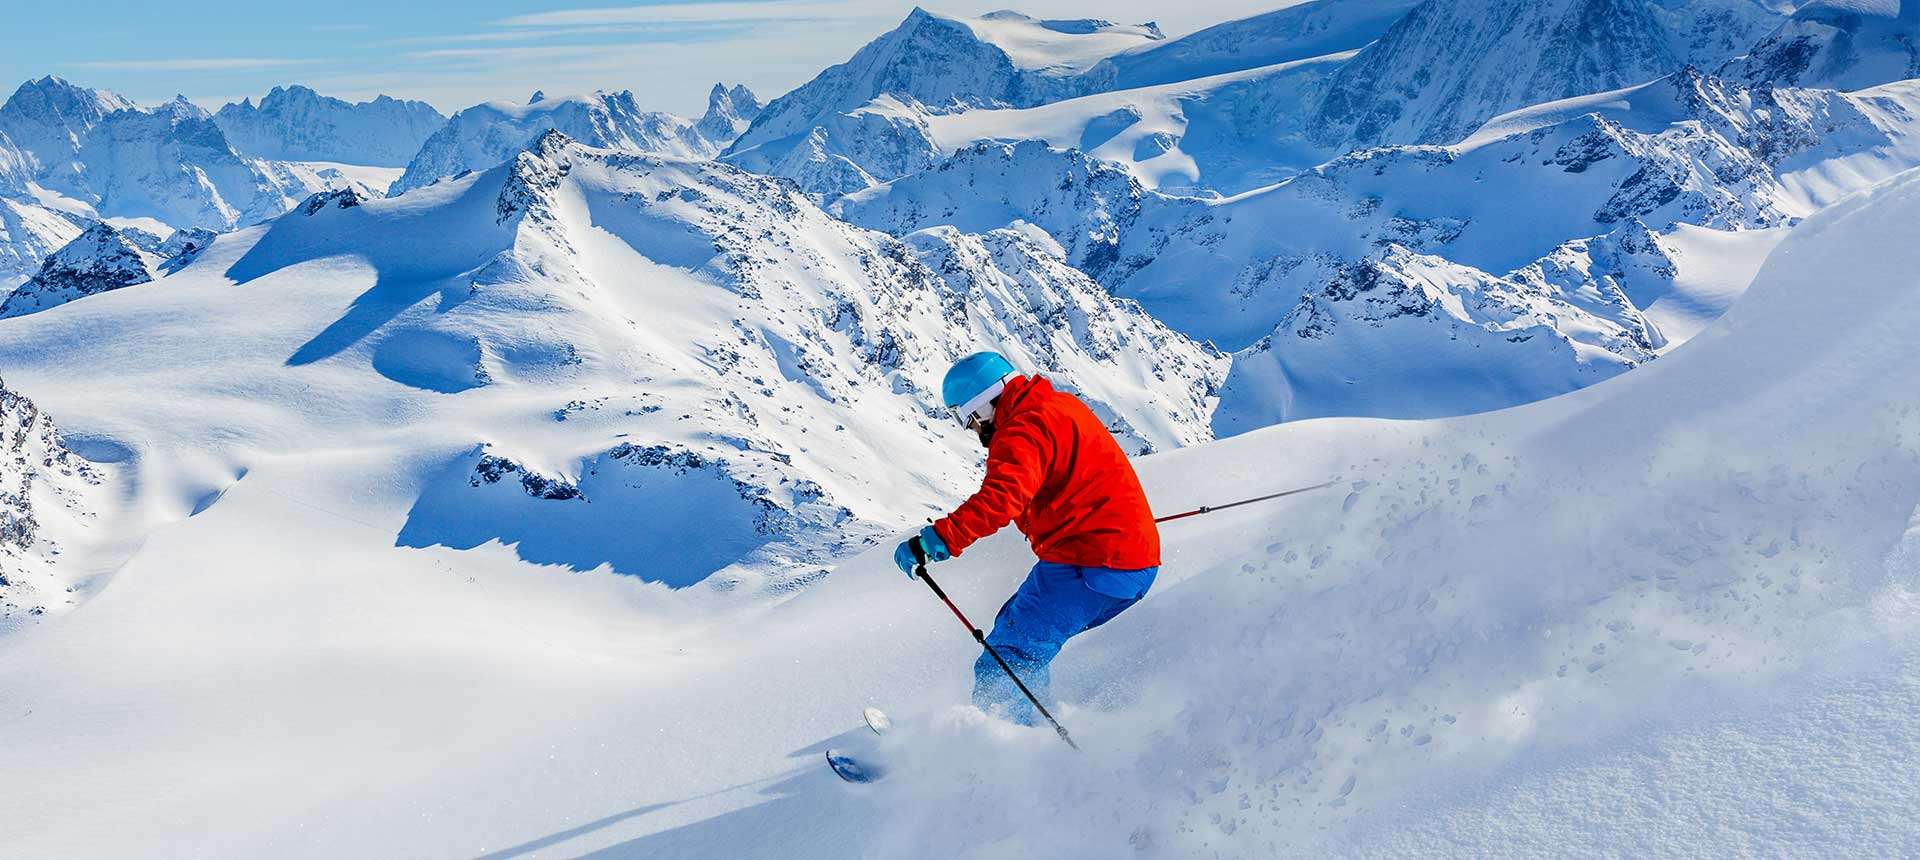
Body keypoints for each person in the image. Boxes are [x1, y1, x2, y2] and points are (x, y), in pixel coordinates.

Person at [894, 351, 1160, 726]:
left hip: (1093, 565)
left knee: (1006, 660)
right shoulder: (1057, 406)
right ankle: (1032, 730)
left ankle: (1005, 755)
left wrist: (934, 541)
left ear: (986, 404)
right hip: (1125, 560)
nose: (973, 429)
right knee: (1013, 632)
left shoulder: (1021, 430)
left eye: (969, 418)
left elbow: (999, 500)